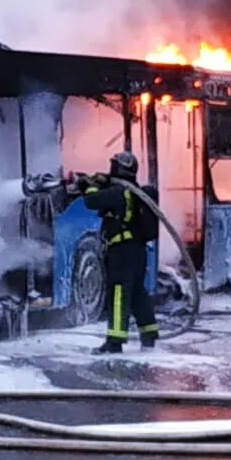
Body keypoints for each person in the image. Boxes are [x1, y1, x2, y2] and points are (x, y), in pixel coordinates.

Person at [79, 150, 159, 354]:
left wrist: (89, 186)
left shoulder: (118, 192)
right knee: (137, 293)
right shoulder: (133, 190)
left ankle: (114, 342)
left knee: (117, 293)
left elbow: (91, 201)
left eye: (113, 166)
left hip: (122, 251)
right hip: (137, 251)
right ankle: (148, 335)